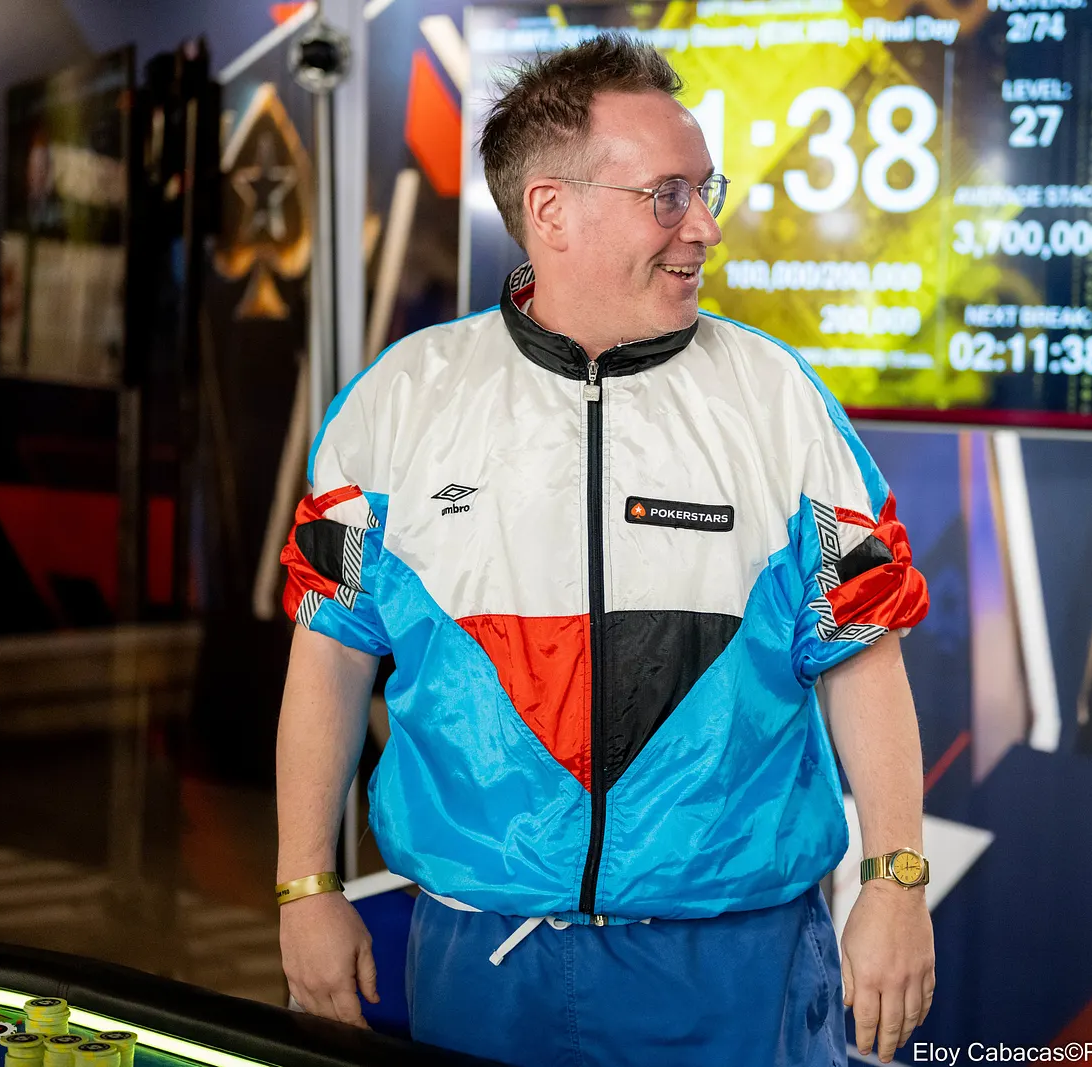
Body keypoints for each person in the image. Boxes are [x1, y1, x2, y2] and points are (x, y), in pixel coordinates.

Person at [273, 36, 935, 1067]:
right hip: (480, 959)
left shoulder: (780, 401)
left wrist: (896, 878)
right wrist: (305, 886)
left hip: (737, 962)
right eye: (668, 195)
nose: (705, 224)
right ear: (550, 210)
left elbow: (863, 652)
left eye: (705, 189)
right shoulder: (399, 402)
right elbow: (329, 656)